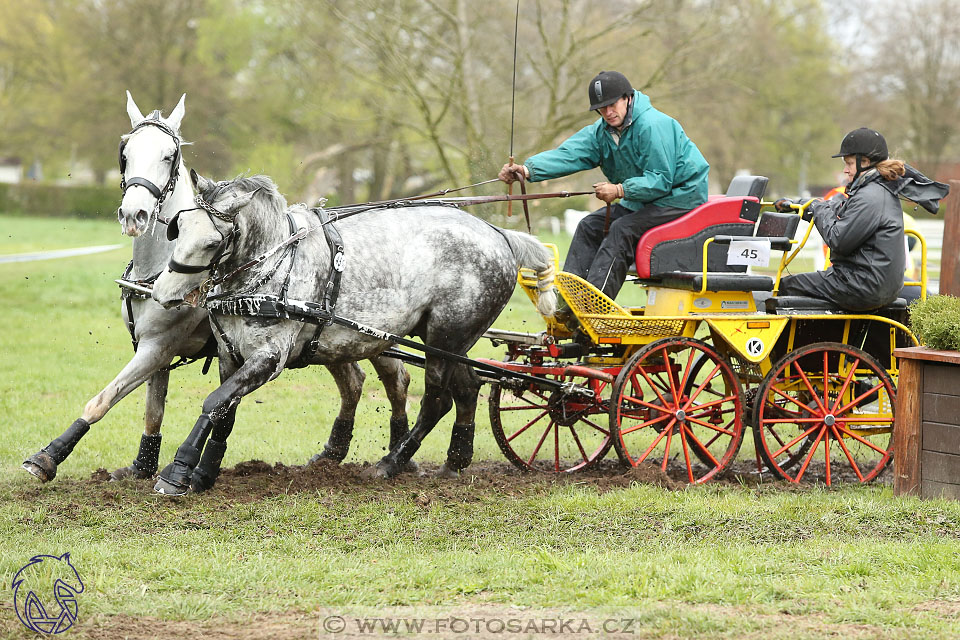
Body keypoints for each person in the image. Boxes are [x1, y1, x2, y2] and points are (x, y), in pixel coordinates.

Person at [498, 70, 709, 309]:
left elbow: (660, 180)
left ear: (628, 98)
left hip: (680, 199)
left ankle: (593, 308)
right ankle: (567, 302)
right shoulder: (603, 132)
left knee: (621, 230)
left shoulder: (653, 126)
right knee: (589, 226)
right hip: (643, 201)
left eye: (612, 104)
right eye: (602, 108)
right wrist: (526, 171)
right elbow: (568, 155)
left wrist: (619, 190)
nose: (608, 112)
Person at [775, 127, 949, 311]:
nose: (845, 170)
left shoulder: (871, 196)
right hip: (871, 282)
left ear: (864, 162)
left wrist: (817, 207)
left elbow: (838, 239)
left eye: (849, 163)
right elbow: (837, 207)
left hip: (862, 285)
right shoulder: (875, 189)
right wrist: (803, 204)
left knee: (785, 285)